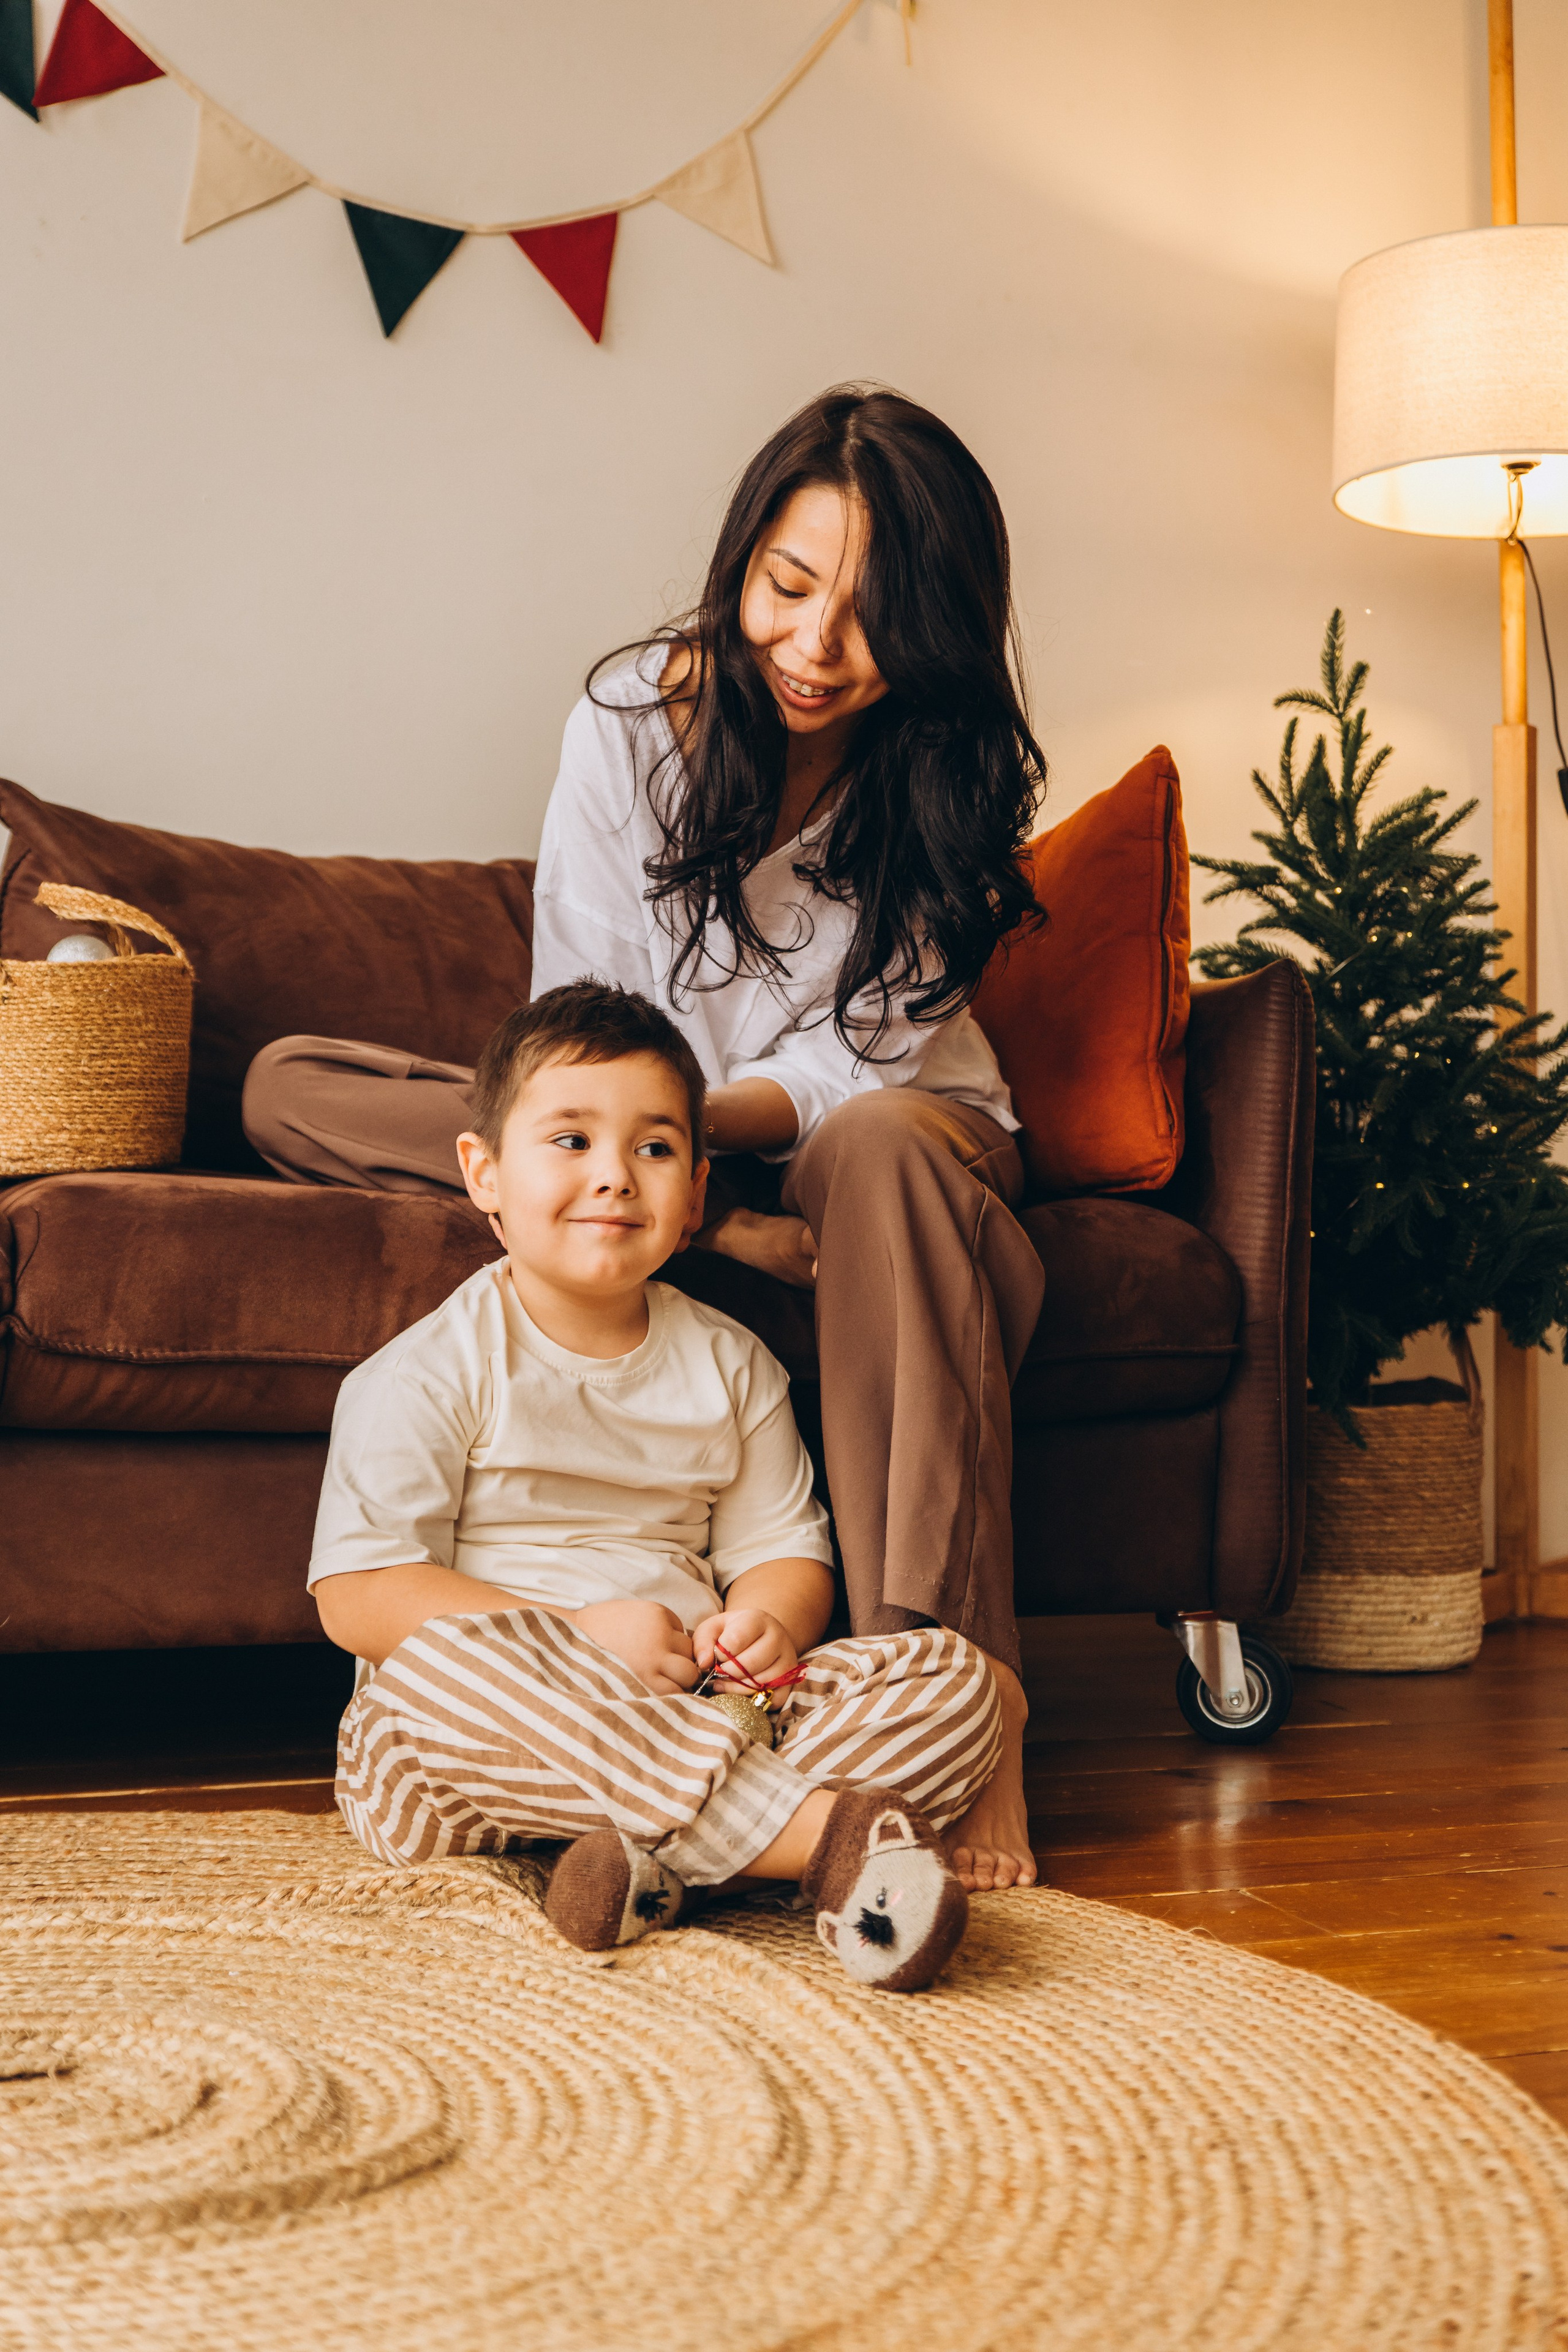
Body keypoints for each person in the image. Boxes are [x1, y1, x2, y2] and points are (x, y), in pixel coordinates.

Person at [245, 384, 1048, 1891]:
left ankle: (967, 1691)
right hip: (664, 1130)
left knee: (873, 1141)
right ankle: (805, 1832)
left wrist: (668, 1143)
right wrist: (680, 1183)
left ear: (937, 629)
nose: (810, 649)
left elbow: (850, 1061)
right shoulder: (632, 717)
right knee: (289, 1082)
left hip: (871, 1131)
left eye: (867, 619)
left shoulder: (945, 787)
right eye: (787, 589)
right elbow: (586, 1001)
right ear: (742, 558)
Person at [312, 983, 1000, 1992]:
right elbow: (359, 1597)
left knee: (953, 1678)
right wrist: (576, 1637)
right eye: (572, 1141)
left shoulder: (732, 1363)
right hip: (479, 1750)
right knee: (429, 1687)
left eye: (655, 1149)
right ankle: (822, 1840)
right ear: (485, 1173)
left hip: (707, 1710)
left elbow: (784, 1552)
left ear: (696, 1194)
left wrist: (761, 1623)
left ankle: (634, 1866)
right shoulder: (426, 1371)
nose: (615, 1178)